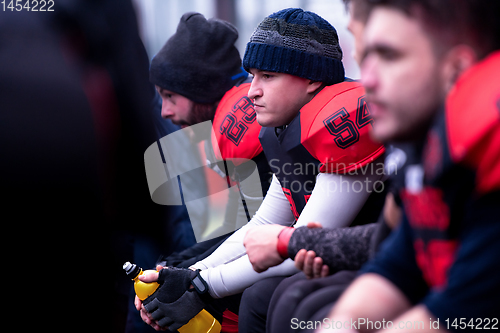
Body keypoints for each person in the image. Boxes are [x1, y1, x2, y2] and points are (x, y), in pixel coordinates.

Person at [135, 8, 385, 332]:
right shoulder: (280, 128)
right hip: (326, 259)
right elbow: (266, 222)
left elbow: (306, 239)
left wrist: (202, 286)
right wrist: (191, 274)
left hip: (387, 261)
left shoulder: (338, 124)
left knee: (275, 298)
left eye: (267, 76)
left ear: (311, 78)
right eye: (252, 75)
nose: (253, 90)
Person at [319, 0, 500, 331]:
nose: (367, 79)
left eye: (388, 56)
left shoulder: (484, 137)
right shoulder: (425, 133)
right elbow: (401, 263)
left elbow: (459, 312)